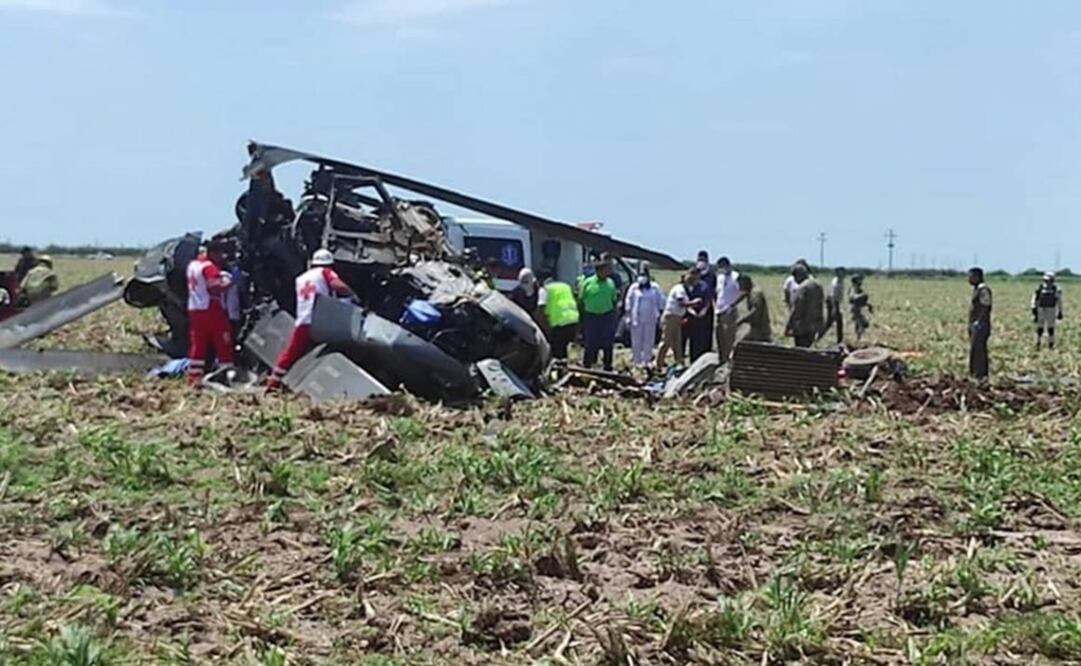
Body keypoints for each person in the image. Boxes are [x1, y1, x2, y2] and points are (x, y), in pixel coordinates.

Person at [267, 249, 356, 389]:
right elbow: (337, 285)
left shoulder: (301, 278)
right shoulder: (325, 272)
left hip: (303, 321)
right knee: (345, 342)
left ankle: (272, 384)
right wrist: (352, 295)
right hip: (321, 321)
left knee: (290, 353)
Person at [186, 242, 234, 386]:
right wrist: (228, 281)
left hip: (194, 309)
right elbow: (215, 287)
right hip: (210, 308)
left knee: (198, 344)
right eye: (220, 254)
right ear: (212, 253)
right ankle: (226, 374)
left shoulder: (192, 265)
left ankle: (193, 377)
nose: (222, 257)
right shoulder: (209, 267)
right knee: (223, 340)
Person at [579, 260, 620, 370]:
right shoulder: (588, 282)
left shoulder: (610, 283)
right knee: (591, 341)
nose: (607, 273)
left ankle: (607, 366)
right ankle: (587, 364)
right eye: (605, 270)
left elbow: (614, 300)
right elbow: (581, 300)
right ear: (598, 271)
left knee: (608, 341)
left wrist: (614, 315)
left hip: (606, 316)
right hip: (591, 316)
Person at [657, 269, 701, 369]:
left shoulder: (684, 290)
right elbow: (681, 303)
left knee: (677, 343)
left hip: (677, 317)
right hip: (671, 317)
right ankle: (658, 365)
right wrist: (694, 303)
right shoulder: (679, 289)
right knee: (666, 341)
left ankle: (679, 363)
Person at [624, 263, 665, 368]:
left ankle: (647, 361)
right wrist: (628, 316)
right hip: (636, 319)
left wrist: (660, 315)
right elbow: (628, 301)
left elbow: (661, 301)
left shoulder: (655, 287)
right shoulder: (634, 287)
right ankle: (637, 362)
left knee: (649, 341)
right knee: (636, 341)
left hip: (650, 318)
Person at [683, 250, 716, 361]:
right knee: (694, 336)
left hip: (706, 310)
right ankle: (693, 358)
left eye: (703, 260)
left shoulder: (711, 275)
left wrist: (706, 309)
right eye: (699, 259)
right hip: (692, 309)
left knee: (705, 336)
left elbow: (713, 292)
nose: (701, 262)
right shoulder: (692, 273)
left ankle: (705, 358)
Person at [538, 273, 579, 361]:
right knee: (565, 350)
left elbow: (541, 307)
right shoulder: (565, 286)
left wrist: (545, 327)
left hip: (559, 324)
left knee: (557, 353)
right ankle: (565, 368)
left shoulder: (545, 289)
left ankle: (560, 371)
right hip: (573, 321)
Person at [785, 263, 824, 348]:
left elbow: (796, 309)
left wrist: (788, 326)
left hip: (802, 326)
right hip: (814, 324)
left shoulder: (802, 288)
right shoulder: (818, 285)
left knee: (801, 350)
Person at [713, 257, 741, 362]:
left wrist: (733, 305)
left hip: (729, 310)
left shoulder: (736, 276)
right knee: (719, 334)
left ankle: (727, 356)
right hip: (719, 310)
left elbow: (742, 292)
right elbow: (717, 293)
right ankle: (721, 357)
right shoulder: (719, 277)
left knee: (728, 335)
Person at [968, 267, 992, 380]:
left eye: (971, 276)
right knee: (975, 349)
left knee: (979, 350)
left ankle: (980, 374)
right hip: (975, 324)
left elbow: (986, 307)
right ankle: (975, 373)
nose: (969, 279)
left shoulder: (983, 290)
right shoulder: (977, 289)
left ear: (977, 277)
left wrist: (979, 321)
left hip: (981, 325)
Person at [736, 274, 771, 343]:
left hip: (760, 329)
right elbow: (744, 295)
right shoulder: (751, 291)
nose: (739, 287)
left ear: (745, 283)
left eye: (740, 284)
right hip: (756, 327)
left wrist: (741, 320)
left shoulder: (755, 293)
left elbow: (755, 311)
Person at [1032, 272, 1063, 350]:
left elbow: (1059, 301)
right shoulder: (1039, 288)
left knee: (1051, 328)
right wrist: (1033, 309)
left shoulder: (1056, 289)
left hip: (1051, 309)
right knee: (1040, 328)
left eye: (1050, 280)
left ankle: (1051, 344)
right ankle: (1038, 343)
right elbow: (1034, 299)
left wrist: (1060, 311)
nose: (1048, 282)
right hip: (1041, 309)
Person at [821, 267, 847, 345]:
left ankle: (819, 336)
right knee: (838, 322)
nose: (842, 274)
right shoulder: (837, 283)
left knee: (830, 323)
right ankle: (839, 340)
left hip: (833, 302)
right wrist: (835, 308)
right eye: (840, 273)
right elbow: (833, 296)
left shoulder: (838, 280)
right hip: (833, 303)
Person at [849, 274, 874, 341]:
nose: (861, 281)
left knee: (861, 324)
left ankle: (858, 338)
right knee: (861, 324)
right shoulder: (853, 288)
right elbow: (852, 297)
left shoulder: (859, 289)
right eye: (859, 280)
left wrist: (868, 305)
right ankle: (857, 339)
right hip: (855, 309)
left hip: (858, 309)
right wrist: (861, 296)